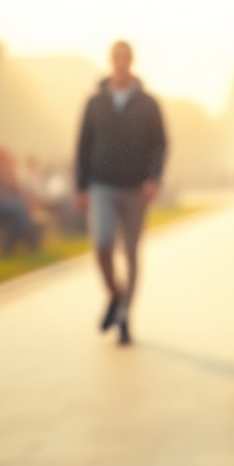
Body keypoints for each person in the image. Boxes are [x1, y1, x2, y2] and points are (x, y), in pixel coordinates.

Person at [75, 39, 168, 347]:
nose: (120, 63)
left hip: (135, 188)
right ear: (110, 61)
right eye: (116, 58)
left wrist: (153, 178)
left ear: (132, 62)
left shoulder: (148, 103)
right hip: (102, 184)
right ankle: (115, 295)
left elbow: (161, 144)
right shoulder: (95, 102)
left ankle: (126, 316)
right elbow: (82, 145)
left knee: (130, 253)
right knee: (102, 245)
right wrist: (80, 185)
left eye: (125, 58)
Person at [0, 144, 41, 255]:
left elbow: (15, 190)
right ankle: (28, 237)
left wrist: (10, 174)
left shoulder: (5, 170)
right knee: (18, 208)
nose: (1, 160)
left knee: (19, 209)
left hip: (7, 205)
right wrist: (2, 181)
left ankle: (10, 244)